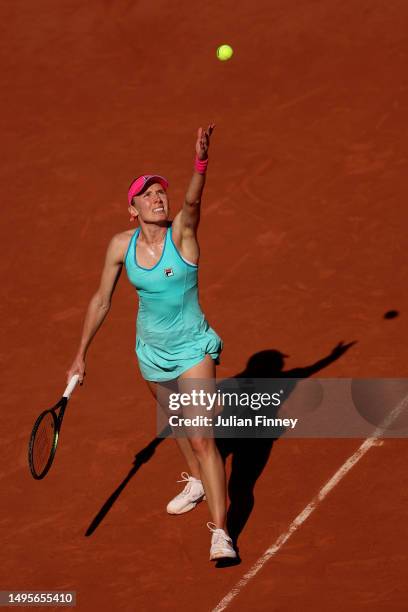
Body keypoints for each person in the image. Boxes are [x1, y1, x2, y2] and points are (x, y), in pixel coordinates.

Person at [67, 124, 236, 561]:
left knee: (202, 437)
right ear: (132, 209)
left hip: (192, 348)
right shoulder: (120, 247)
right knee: (176, 423)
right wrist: (80, 355)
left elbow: (194, 199)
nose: (159, 198)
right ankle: (197, 481)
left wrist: (200, 162)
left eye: (161, 192)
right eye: (148, 195)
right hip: (151, 354)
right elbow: (102, 299)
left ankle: (221, 531)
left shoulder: (182, 233)